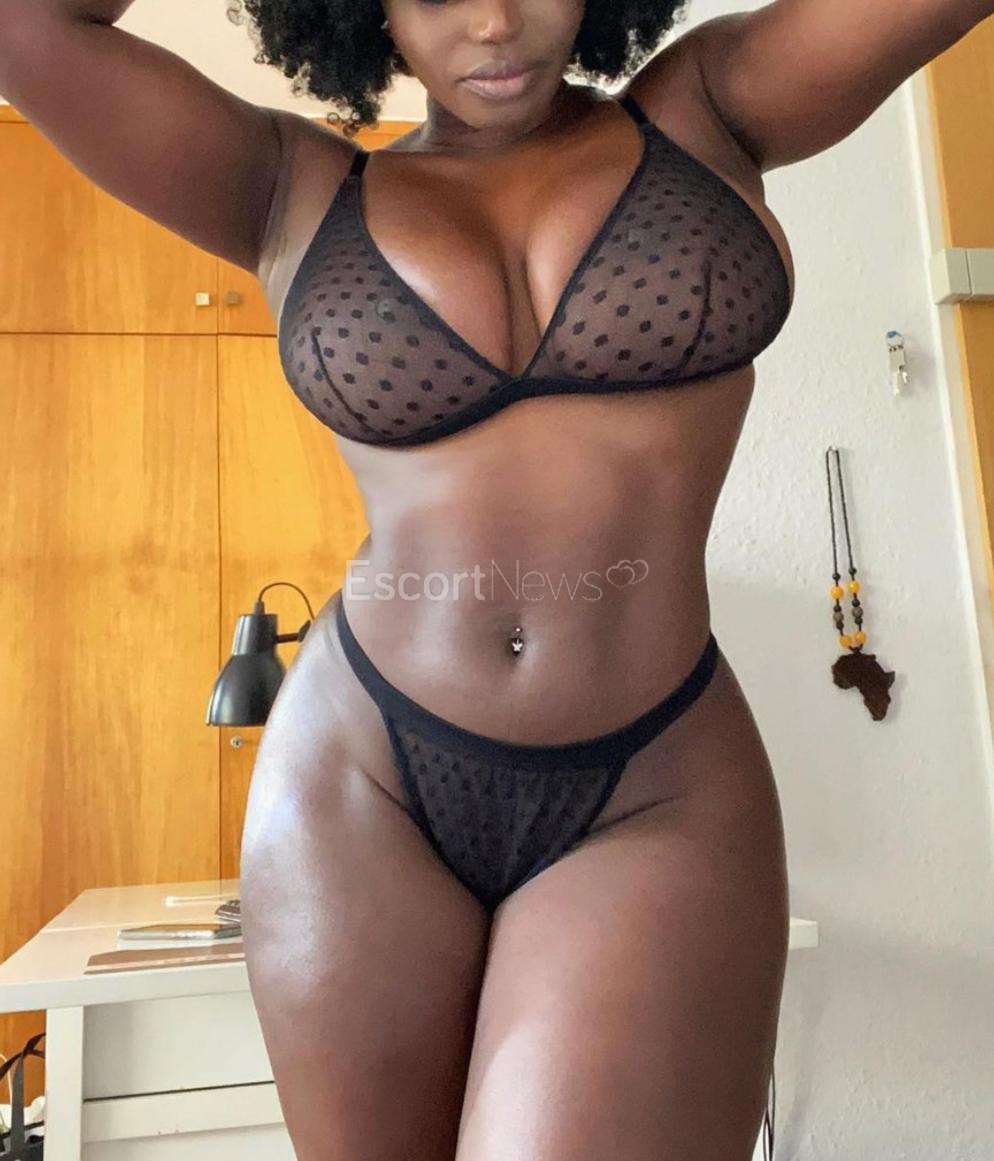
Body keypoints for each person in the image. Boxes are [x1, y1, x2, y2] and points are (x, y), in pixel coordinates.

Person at [0, 0, 987, 1156]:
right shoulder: (280, 184)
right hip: (360, 777)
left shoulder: (710, 108)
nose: (494, 19)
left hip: (652, 784)